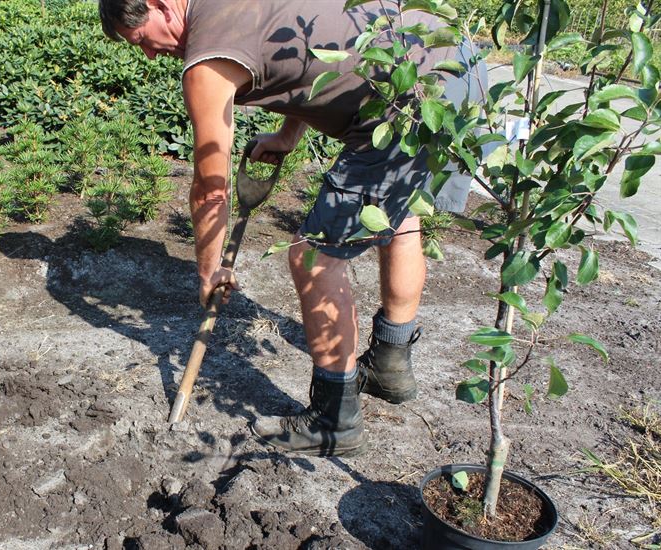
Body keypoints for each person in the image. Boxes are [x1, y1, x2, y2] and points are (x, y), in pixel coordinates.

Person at [98, 0, 486, 457]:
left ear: (161, 5)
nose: (148, 54)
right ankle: (390, 362)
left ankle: (334, 420)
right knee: (399, 219)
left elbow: (210, 185)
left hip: (409, 93)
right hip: (458, 66)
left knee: (312, 256)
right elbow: (309, 48)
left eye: (142, 39)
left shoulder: (207, 57)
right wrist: (287, 137)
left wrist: (208, 270)